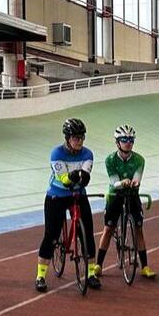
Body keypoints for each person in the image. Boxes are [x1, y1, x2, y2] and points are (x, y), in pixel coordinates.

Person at [35, 118, 101, 292]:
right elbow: (64, 179)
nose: (79, 141)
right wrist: (73, 177)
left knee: (86, 232)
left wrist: (81, 176)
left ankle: (91, 274)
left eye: (81, 137)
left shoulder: (88, 154)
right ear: (67, 138)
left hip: (79, 195)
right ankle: (40, 276)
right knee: (51, 234)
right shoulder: (56, 154)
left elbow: (85, 176)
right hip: (57, 195)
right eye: (75, 137)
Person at [92, 125, 156, 279]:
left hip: (132, 194)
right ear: (117, 142)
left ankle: (145, 266)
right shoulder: (110, 160)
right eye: (124, 140)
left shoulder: (139, 159)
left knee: (139, 229)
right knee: (108, 228)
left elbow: (137, 178)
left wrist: (134, 182)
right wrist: (123, 182)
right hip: (116, 194)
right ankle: (99, 264)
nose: (128, 143)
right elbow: (114, 182)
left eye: (131, 140)